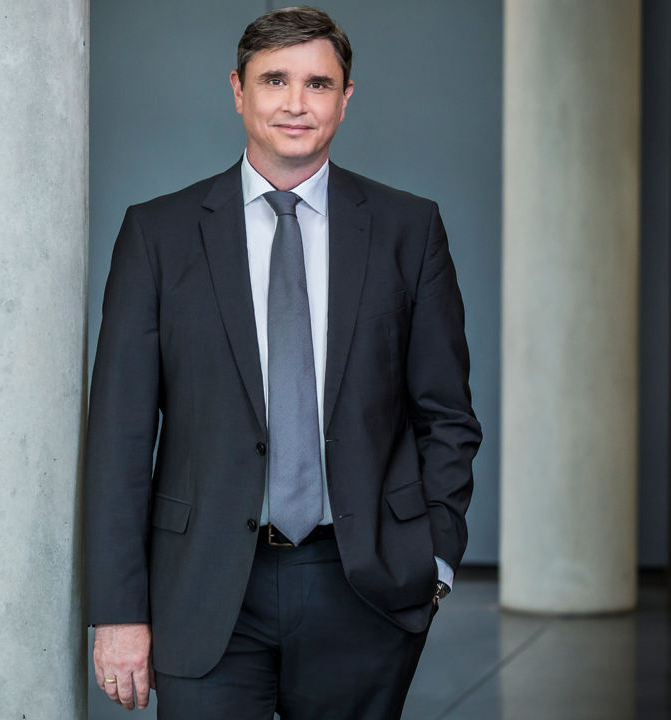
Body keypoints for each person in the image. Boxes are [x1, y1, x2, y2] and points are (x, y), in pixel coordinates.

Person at [84, 6, 481, 719]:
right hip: (202, 589)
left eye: (318, 84)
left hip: (361, 586)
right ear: (238, 90)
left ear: (346, 97)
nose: (296, 104)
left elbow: (447, 416)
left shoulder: (407, 230)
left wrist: (436, 560)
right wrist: (117, 610)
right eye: (275, 80)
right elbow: (118, 436)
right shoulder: (159, 235)